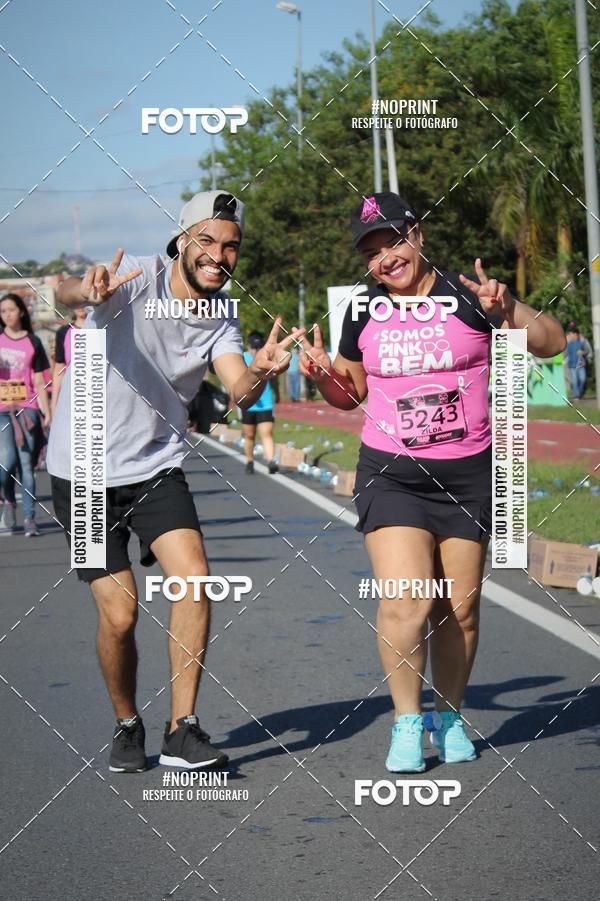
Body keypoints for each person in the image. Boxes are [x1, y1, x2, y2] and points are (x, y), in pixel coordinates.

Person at [299, 192, 565, 772]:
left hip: (467, 476)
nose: (384, 258)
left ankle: (448, 716)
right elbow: (350, 394)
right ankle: (406, 723)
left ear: (416, 234)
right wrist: (322, 375)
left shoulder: (470, 297)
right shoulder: (363, 310)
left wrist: (508, 307)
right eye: (371, 252)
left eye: (391, 241)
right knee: (408, 600)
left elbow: (552, 342)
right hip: (391, 475)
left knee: (459, 610)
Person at [46, 190, 301, 773]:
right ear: (183, 241)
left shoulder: (224, 312)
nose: (219, 255)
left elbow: (236, 388)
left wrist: (261, 369)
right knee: (120, 616)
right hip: (83, 467)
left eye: (231, 246)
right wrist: (83, 290)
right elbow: (64, 287)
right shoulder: (135, 276)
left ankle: (181, 729)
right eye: (207, 241)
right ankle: (126, 723)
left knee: (195, 581)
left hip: (155, 464)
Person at [0, 292, 50, 537]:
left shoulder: (33, 342)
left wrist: (47, 411)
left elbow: (39, 379)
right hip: (1, 411)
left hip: (27, 408)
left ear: (20, 311)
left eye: (11, 309)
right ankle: (9, 500)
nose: (7, 314)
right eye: (3, 311)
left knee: (27, 466)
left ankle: (30, 518)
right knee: (6, 462)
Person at [241, 331, 278, 474]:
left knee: (266, 433)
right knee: (250, 435)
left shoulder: (267, 358)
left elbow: (274, 376)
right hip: (249, 403)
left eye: (258, 348)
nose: (255, 351)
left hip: (265, 402)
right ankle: (250, 460)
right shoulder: (242, 358)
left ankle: (270, 462)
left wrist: (277, 393)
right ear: (248, 346)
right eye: (253, 348)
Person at [50, 306, 89, 416]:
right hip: (72, 396)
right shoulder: (63, 332)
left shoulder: (102, 328)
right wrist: (54, 404)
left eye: (84, 302)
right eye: (76, 302)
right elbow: (59, 370)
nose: (80, 306)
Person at [565, 323, 589, 400]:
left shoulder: (582, 342)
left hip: (581, 365)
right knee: (575, 381)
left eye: (571, 334)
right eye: (570, 334)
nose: (570, 336)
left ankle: (580, 393)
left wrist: (583, 352)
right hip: (572, 365)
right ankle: (577, 395)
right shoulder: (568, 343)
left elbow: (587, 351)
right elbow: (564, 354)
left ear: (576, 334)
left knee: (582, 379)